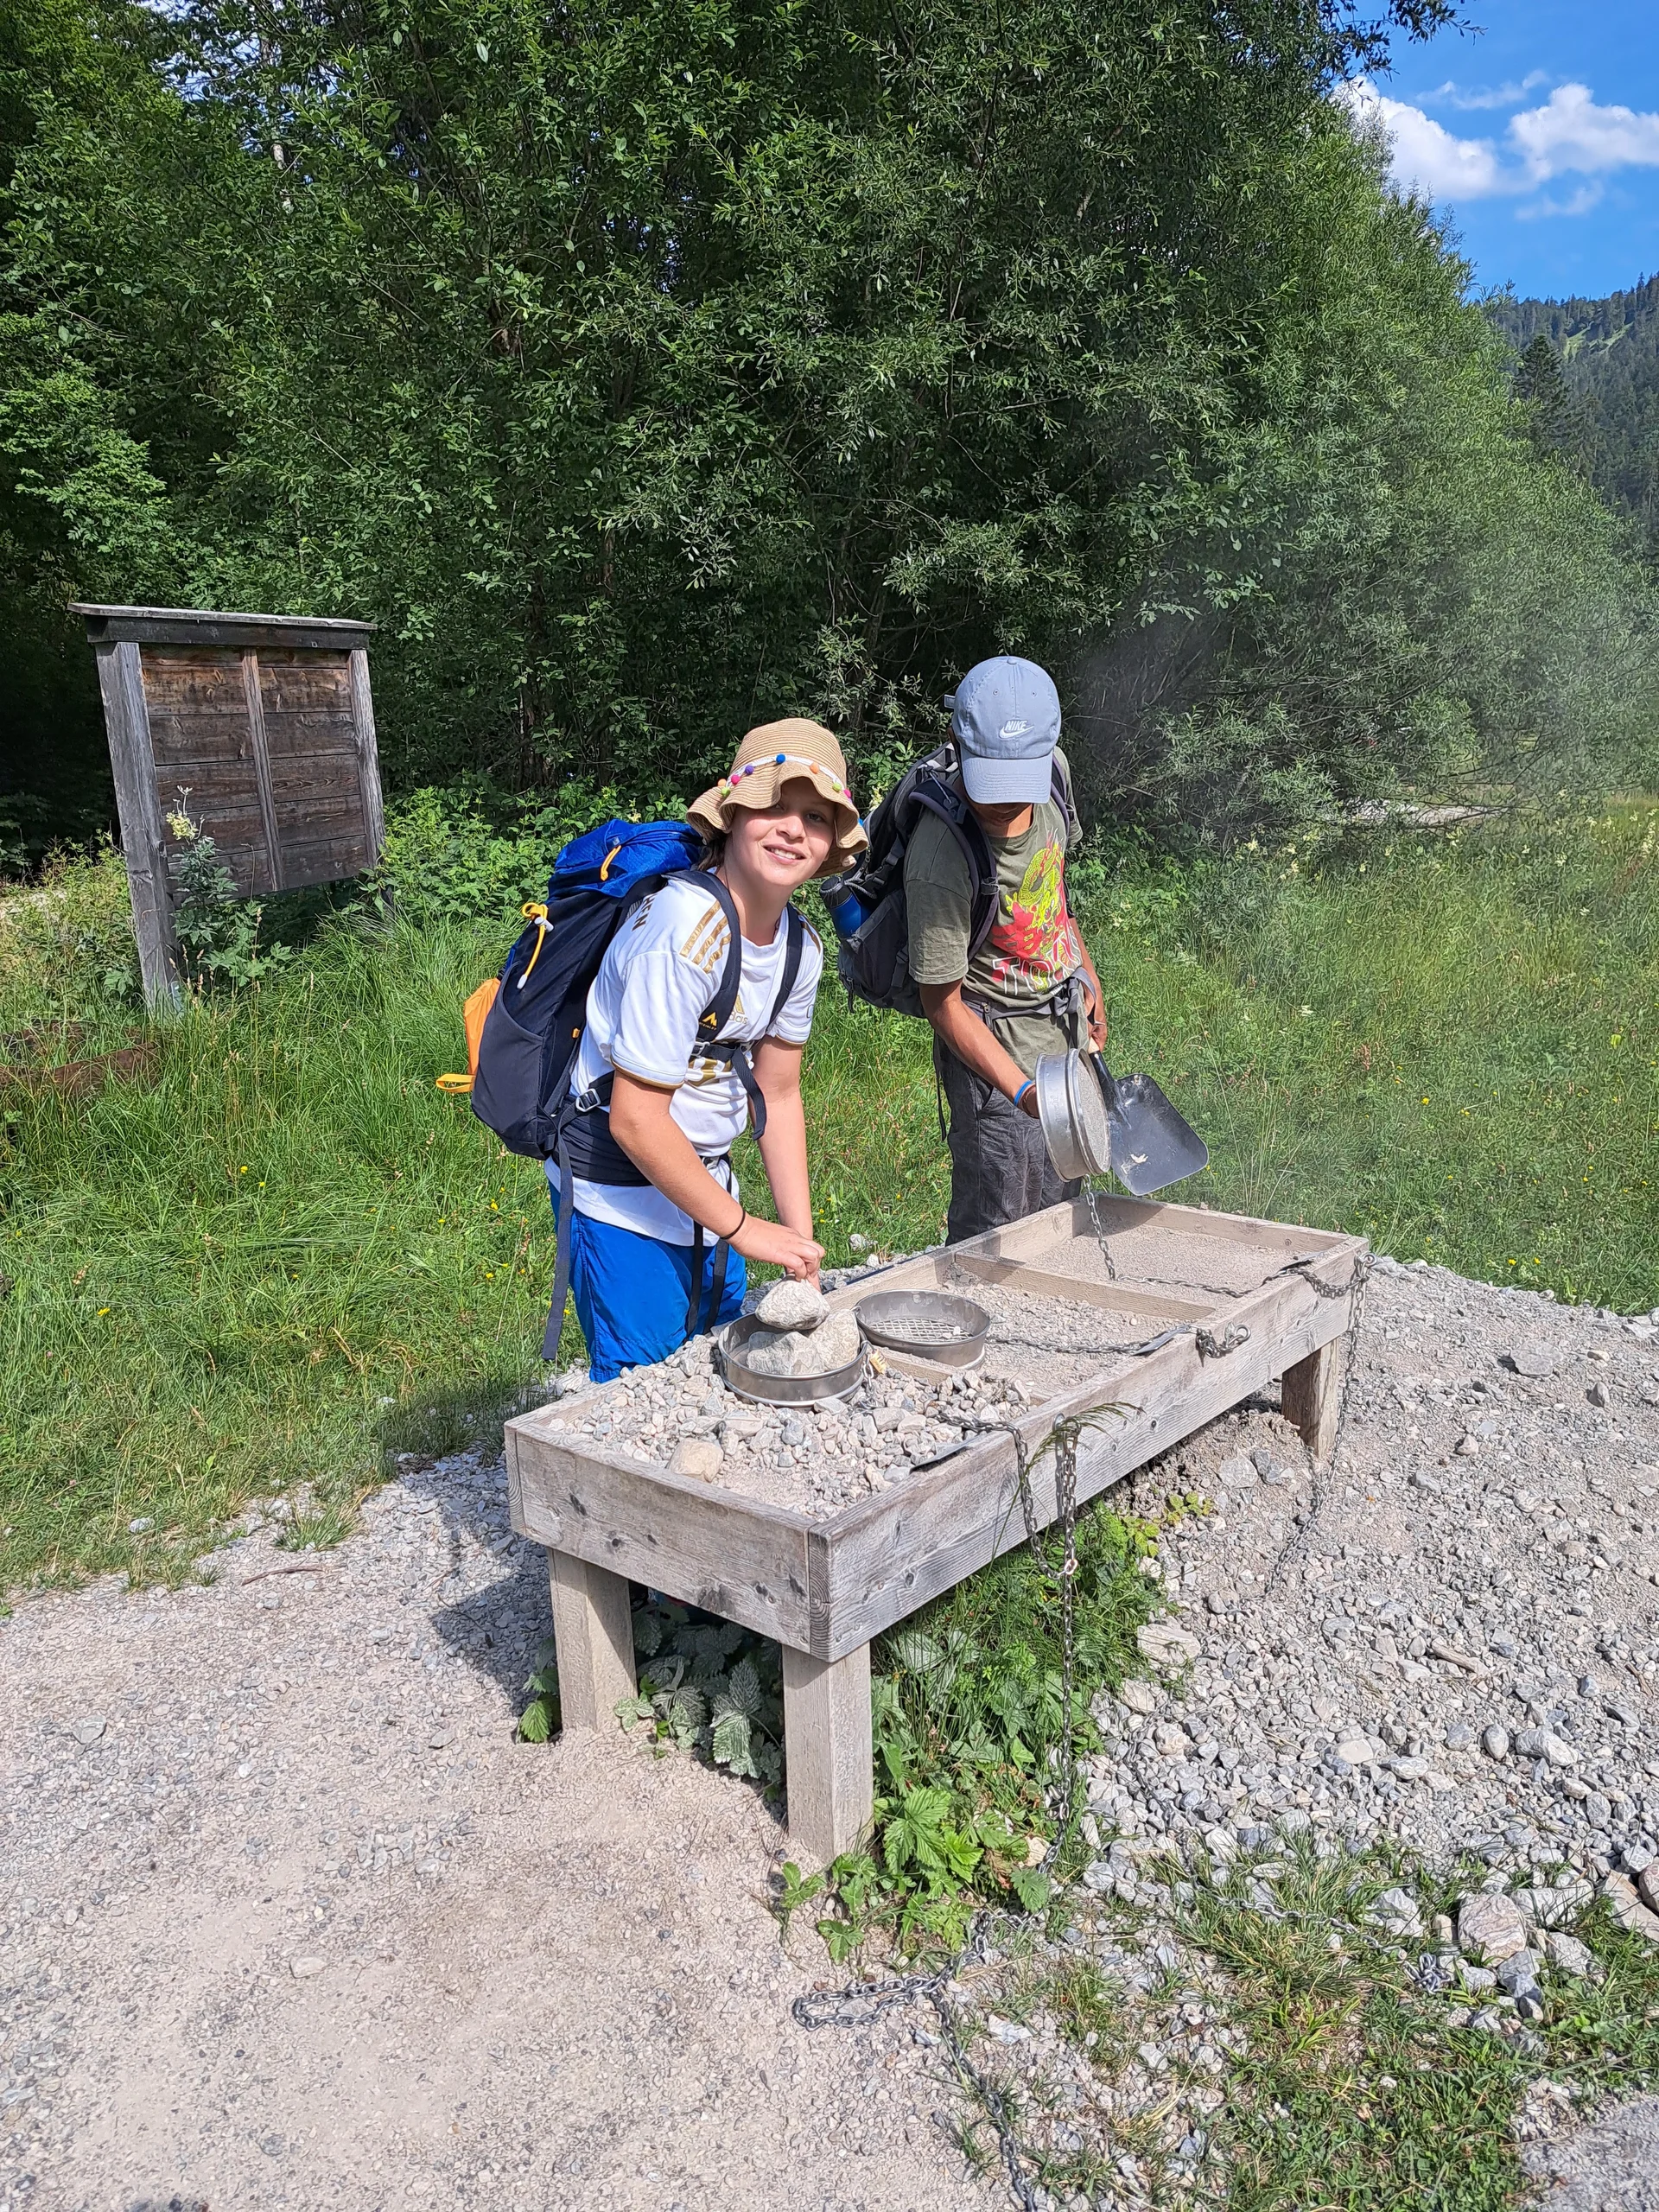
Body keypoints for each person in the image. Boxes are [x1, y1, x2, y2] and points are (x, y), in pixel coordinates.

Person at [549, 721, 867, 1382]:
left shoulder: (799, 948)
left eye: (814, 816)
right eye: (772, 805)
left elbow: (778, 1092)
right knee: (644, 1389)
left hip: (707, 1186)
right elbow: (634, 1120)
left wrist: (797, 1247)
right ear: (732, 815)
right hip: (620, 1191)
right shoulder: (681, 929)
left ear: (831, 842)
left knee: (715, 1368)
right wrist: (746, 1230)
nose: (790, 828)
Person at [903, 655, 1107, 1243]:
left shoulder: (1056, 779)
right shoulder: (940, 857)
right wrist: (1019, 1092)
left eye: (1020, 783)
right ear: (956, 743)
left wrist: (1088, 978)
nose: (1007, 804)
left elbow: (1053, 895)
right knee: (997, 1220)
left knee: (1060, 1207)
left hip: (1064, 1037)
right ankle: (975, 1326)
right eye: (994, 783)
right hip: (994, 1062)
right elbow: (942, 1002)